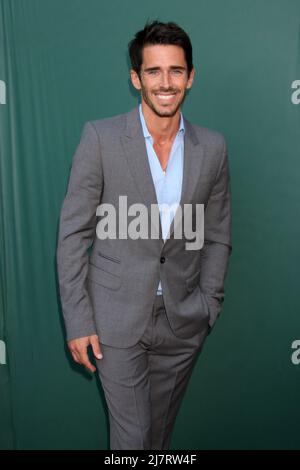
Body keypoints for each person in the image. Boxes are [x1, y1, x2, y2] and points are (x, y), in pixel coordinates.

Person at [56, 20, 232, 450]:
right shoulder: (100, 138)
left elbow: (217, 234)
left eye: (175, 70)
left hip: (183, 321)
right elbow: (73, 233)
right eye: (153, 71)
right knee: (133, 440)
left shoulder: (212, 148)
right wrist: (79, 320)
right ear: (136, 78)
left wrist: (209, 304)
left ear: (191, 76)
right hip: (115, 320)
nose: (165, 83)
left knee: (158, 438)